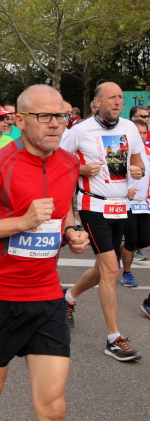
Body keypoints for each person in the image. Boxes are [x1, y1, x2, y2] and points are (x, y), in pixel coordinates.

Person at [0, 84, 89, 421]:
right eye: (44, 116)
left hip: (46, 296)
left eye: (61, 116)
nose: (55, 123)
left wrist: (70, 231)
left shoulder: (70, 164)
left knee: (53, 407)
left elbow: (64, 211)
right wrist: (22, 222)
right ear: (21, 120)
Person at [60, 82, 145, 362]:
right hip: (93, 206)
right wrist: (80, 168)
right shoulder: (80, 130)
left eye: (120, 97)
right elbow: (58, 162)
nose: (118, 101)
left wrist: (138, 170)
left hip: (121, 206)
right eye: (111, 97)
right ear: (97, 102)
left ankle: (68, 297)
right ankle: (113, 338)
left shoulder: (129, 128)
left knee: (102, 269)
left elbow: (138, 162)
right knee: (111, 269)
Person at [118, 118, 150, 286]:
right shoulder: (122, 153)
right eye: (139, 133)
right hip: (126, 203)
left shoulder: (148, 152)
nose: (142, 136)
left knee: (145, 240)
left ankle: (118, 250)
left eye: (145, 133)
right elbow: (111, 177)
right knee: (131, 239)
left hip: (144, 204)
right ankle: (127, 273)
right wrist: (125, 191)